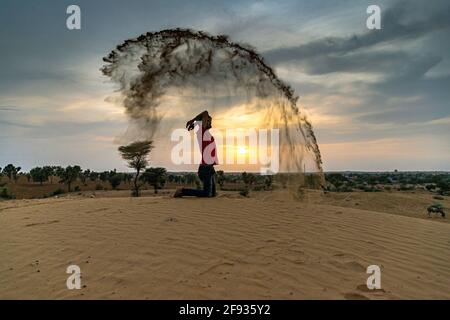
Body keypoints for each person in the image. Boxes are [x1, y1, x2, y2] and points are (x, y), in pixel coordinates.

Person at [174, 110, 218, 197]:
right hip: (205, 169)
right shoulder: (202, 131)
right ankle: (182, 191)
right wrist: (193, 121)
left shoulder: (205, 132)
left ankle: (183, 191)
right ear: (204, 122)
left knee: (212, 194)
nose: (211, 124)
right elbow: (205, 112)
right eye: (209, 121)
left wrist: (195, 123)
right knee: (206, 194)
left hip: (210, 168)